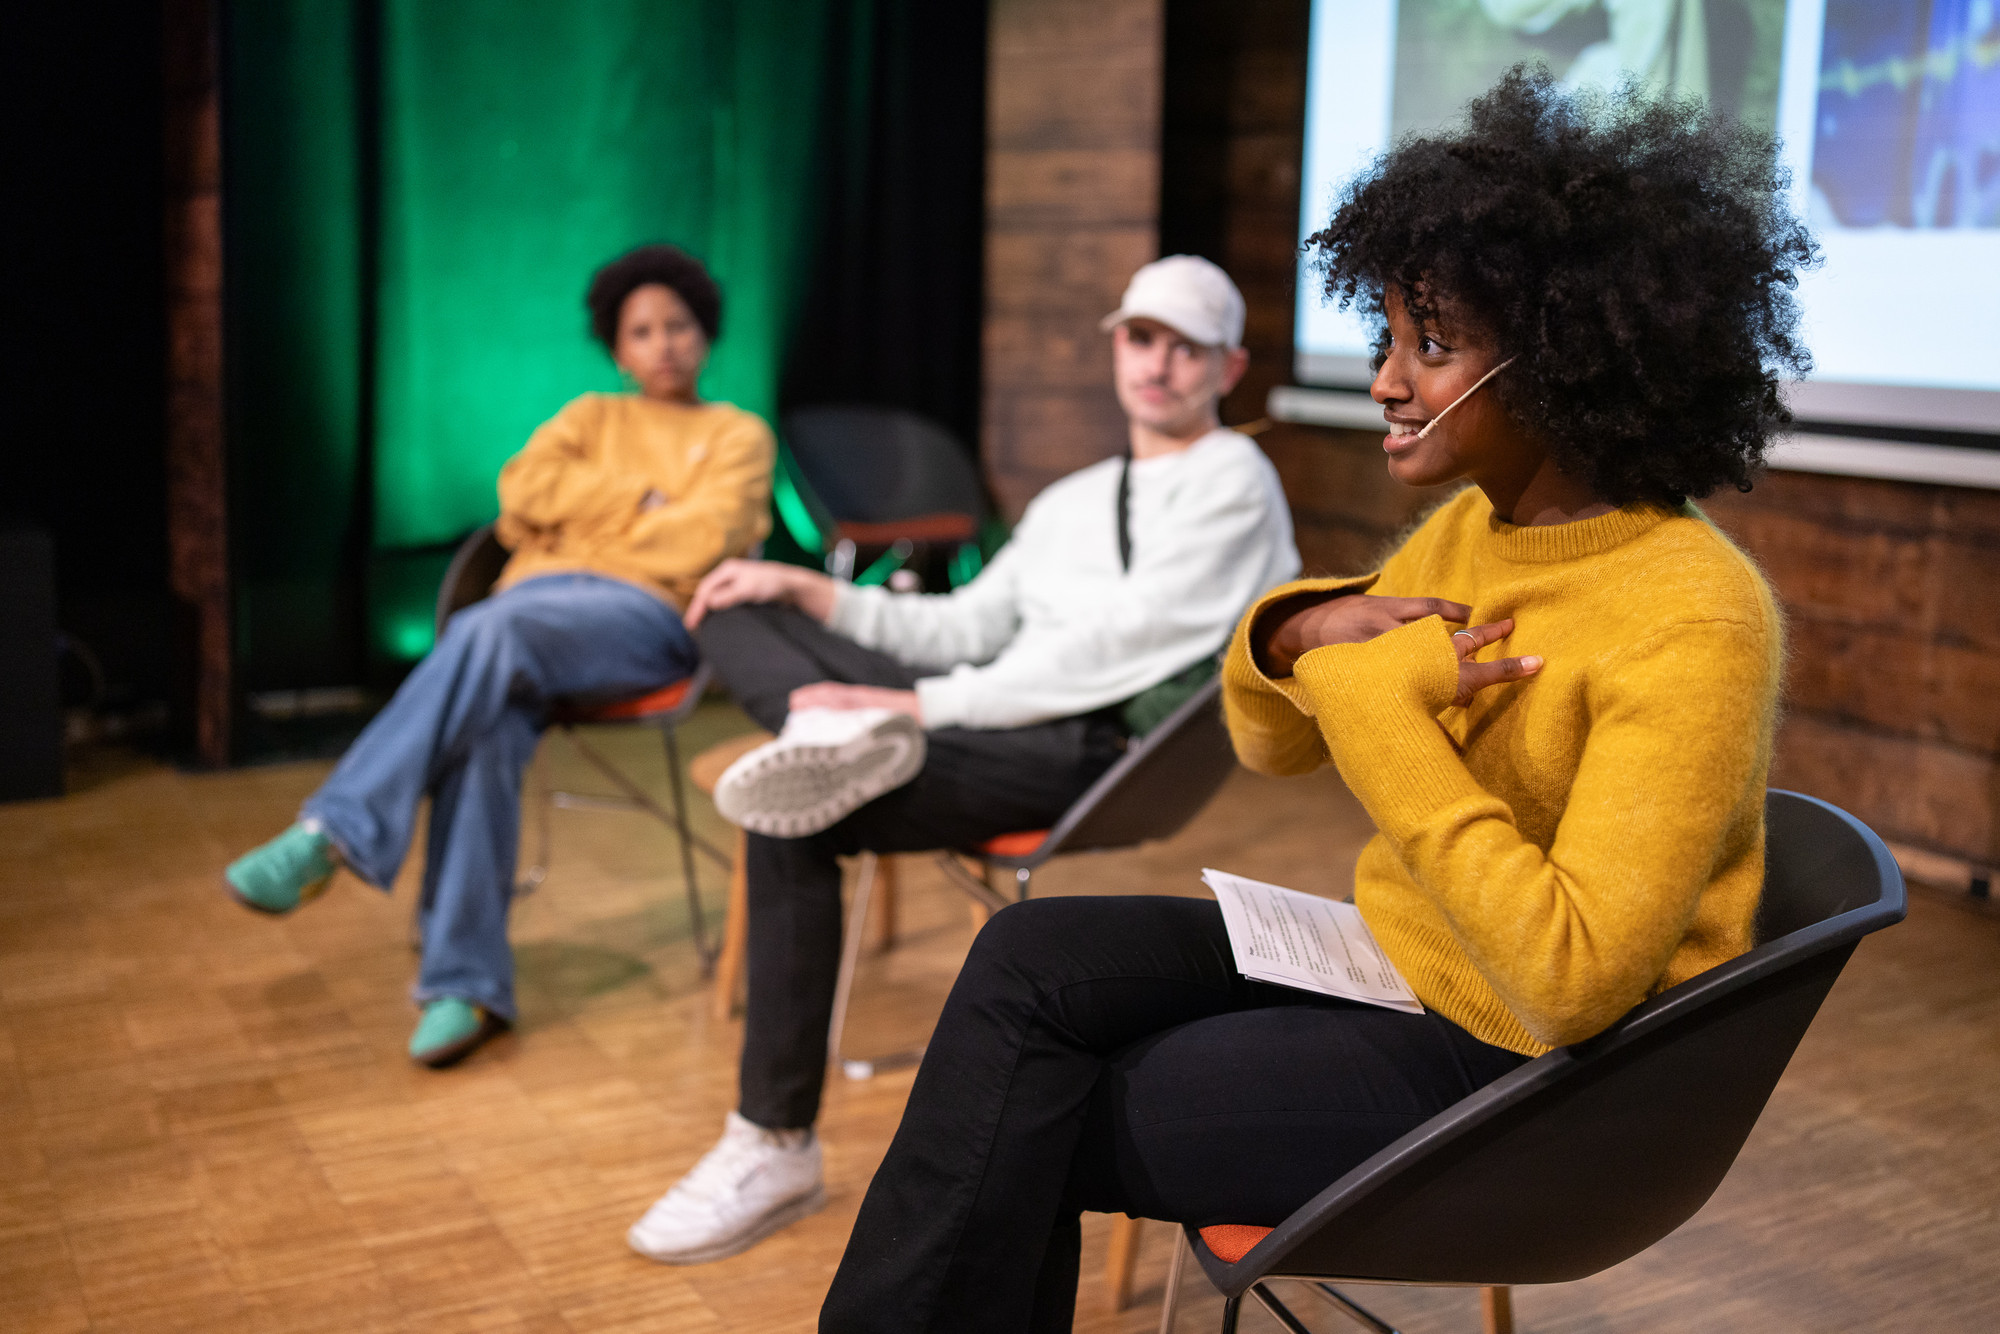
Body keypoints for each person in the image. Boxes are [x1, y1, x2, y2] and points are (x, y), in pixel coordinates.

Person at [814, 66, 1815, 1333]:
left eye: (1430, 347)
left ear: (1564, 359)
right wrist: (1292, 633)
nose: (1386, 380)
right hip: (1391, 962)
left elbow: (1568, 981)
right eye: (1386, 338)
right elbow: (1266, 739)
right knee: (1025, 961)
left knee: (1033, 1105)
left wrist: (1380, 711)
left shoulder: (1694, 611)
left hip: (1528, 1067)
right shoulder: (1474, 526)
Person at [624, 255, 1302, 1265]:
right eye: (1140, 337)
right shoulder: (1073, 498)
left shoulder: (1234, 482)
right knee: (735, 597)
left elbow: (1104, 653)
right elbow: (963, 625)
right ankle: (821, 728)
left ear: (1228, 366)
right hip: (974, 710)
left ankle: (772, 1141)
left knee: (787, 813)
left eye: (1185, 346)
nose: (1157, 363)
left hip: (1087, 746)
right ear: (1114, 346)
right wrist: (815, 593)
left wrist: (915, 705)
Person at [223, 244, 775, 1069]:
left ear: (707, 333)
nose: (663, 344)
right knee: (490, 722)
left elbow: (705, 537)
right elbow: (520, 492)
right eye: (641, 331)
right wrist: (641, 501)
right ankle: (464, 985)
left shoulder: (737, 434)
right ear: (616, 349)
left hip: (644, 619)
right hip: (530, 610)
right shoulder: (591, 416)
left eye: (679, 326)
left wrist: (580, 525)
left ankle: (333, 831)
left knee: (484, 633)